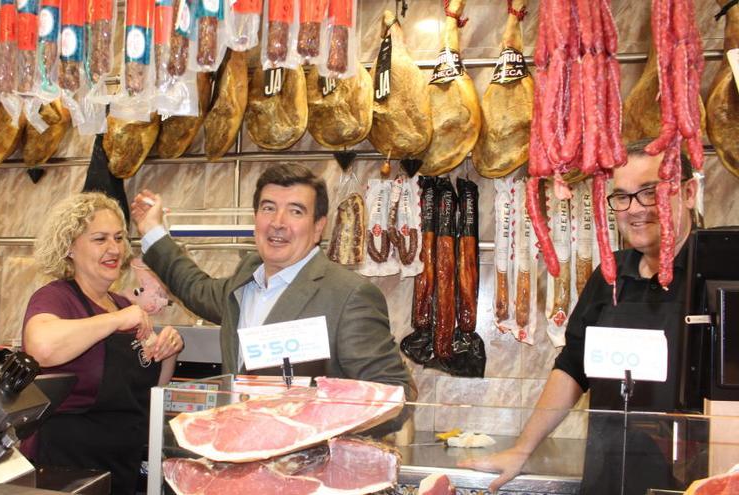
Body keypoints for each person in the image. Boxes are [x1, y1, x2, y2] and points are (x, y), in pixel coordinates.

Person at [460, 140, 700, 494]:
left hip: (695, 481)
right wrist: (522, 449)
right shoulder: (610, 274)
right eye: (622, 197)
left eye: (651, 192)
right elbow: (572, 366)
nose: (635, 209)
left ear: (689, 192)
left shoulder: (720, 272)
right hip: (609, 476)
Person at [130, 163, 416, 430]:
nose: (278, 222)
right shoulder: (245, 281)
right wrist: (152, 231)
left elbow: (394, 393)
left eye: (296, 211)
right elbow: (195, 288)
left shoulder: (348, 295)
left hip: (307, 472)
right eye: (268, 208)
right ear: (255, 218)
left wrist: (313, 426)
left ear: (318, 227)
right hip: (240, 462)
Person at [21, 192, 184, 494]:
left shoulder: (121, 303)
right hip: (64, 468)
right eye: (100, 239)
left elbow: (149, 387)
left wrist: (168, 351)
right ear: (69, 246)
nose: (114, 249)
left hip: (120, 463)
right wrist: (116, 320)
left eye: (119, 238)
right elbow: (41, 348)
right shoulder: (56, 297)